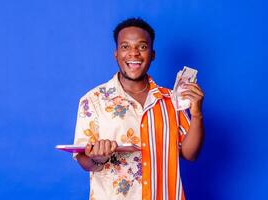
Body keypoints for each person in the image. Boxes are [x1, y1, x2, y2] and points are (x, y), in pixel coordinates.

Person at [73, 18, 204, 200]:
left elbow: (190, 154)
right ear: (116, 54)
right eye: (125, 47)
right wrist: (98, 158)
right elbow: (83, 160)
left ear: (152, 54)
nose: (133, 53)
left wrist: (196, 114)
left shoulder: (170, 99)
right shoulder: (93, 100)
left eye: (142, 47)